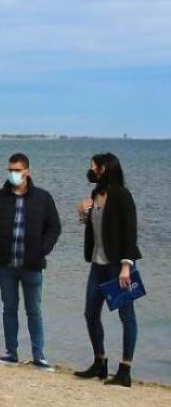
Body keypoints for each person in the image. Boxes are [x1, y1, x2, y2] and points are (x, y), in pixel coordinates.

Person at [0, 153, 61, 371]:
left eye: (17, 170)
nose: (13, 174)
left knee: (34, 310)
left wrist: (42, 250)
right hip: (6, 264)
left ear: (27, 172)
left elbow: (54, 227)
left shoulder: (43, 198)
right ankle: (11, 353)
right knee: (9, 308)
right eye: (10, 170)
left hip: (32, 265)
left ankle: (39, 356)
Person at [74, 153, 141, 387]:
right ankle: (100, 362)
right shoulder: (96, 194)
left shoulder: (122, 195)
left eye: (92, 167)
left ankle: (125, 370)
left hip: (119, 266)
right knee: (90, 314)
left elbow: (130, 232)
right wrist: (83, 214)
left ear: (103, 169)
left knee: (126, 316)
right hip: (97, 264)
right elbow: (96, 228)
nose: (90, 171)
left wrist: (126, 266)